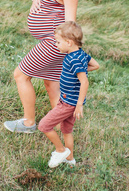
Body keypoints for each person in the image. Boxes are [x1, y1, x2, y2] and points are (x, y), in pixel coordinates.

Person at [4, 0, 93, 133]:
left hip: (54, 43)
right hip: (50, 41)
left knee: (20, 75)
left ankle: (28, 123)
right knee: (52, 84)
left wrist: (71, 50)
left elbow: (70, 23)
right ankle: (64, 130)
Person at [38, 21, 99, 168]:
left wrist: (79, 106)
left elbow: (84, 82)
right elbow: (96, 65)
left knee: (44, 126)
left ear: (69, 42)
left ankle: (60, 150)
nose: (56, 45)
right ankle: (70, 158)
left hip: (68, 103)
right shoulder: (81, 54)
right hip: (69, 101)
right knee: (67, 130)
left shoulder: (74, 59)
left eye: (58, 42)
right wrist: (78, 73)